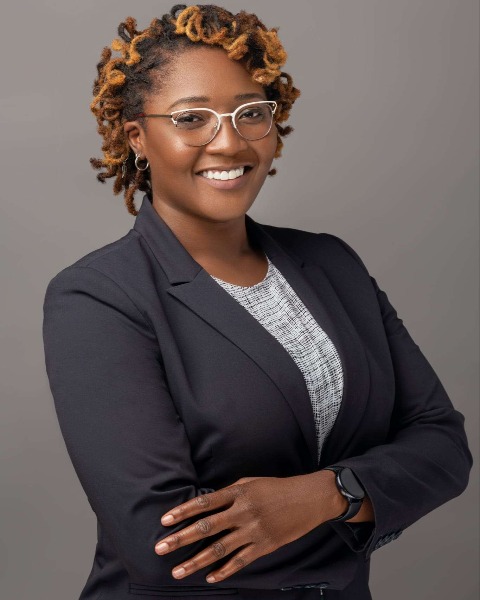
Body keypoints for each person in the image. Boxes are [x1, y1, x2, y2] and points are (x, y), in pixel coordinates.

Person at [42, 5, 473, 600]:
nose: (228, 142)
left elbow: (443, 446)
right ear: (137, 137)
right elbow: (161, 546)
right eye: (192, 118)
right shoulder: (99, 296)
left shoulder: (333, 265)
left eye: (250, 113)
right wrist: (373, 504)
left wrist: (325, 495)